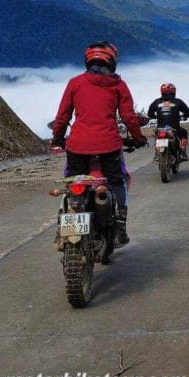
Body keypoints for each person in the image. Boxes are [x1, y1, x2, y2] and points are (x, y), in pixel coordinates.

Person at [51, 41, 146, 247]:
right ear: (112, 62)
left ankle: (64, 229)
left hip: (77, 147)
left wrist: (57, 138)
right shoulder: (119, 86)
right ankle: (120, 227)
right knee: (116, 182)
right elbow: (129, 117)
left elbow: (62, 117)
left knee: (73, 184)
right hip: (109, 146)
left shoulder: (75, 83)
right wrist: (139, 139)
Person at [147, 83, 189, 160]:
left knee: (157, 136)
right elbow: (187, 111)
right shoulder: (178, 101)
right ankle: (183, 152)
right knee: (184, 132)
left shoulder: (156, 102)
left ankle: (156, 154)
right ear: (173, 91)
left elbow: (149, 113)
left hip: (160, 128)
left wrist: (156, 116)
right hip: (174, 127)